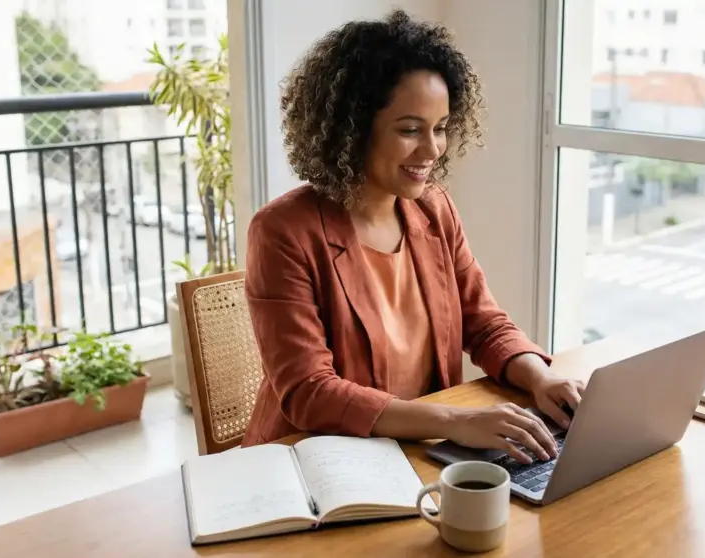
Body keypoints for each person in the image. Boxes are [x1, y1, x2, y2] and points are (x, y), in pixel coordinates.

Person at [241, 10, 584, 465]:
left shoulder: (433, 208)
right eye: (409, 130)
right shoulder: (283, 231)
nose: (432, 149)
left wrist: (540, 378)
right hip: (319, 462)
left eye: (440, 128)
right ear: (354, 128)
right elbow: (310, 393)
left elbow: (482, 321)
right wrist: (456, 423)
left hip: (419, 453)